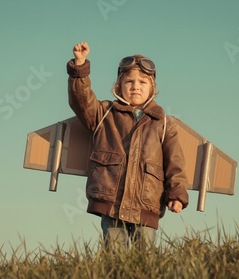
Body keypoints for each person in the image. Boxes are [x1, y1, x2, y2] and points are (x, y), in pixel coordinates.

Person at [66, 42, 189, 250]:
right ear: (119, 85)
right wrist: (80, 67)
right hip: (110, 201)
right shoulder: (104, 113)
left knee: (145, 257)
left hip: (147, 204)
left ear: (152, 88)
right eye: (129, 81)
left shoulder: (164, 124)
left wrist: (176, 193)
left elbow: (175, 163)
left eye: (142, 82)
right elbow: (81, 101)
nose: (135, 86)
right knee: (114, 255)